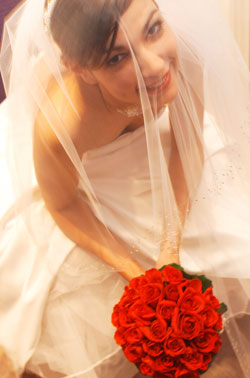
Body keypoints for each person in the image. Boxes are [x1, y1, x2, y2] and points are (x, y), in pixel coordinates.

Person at [0, 0, 249, 377]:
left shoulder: (185, 55)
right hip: (87, 177)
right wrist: (132, 270)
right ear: (79, 68)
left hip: (165, 150)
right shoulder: (62, 125)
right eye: (117, 58)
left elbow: (188, 144)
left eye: (153, 29)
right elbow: (63, 205)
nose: (155, 66)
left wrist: (170, 242)